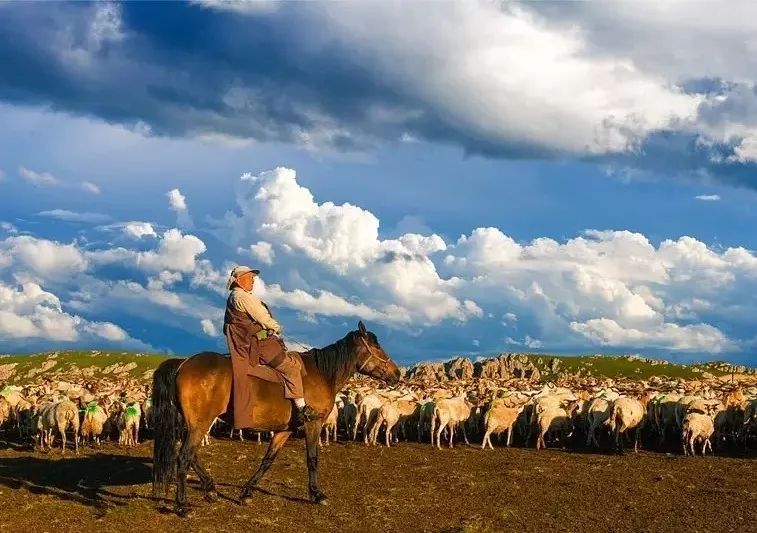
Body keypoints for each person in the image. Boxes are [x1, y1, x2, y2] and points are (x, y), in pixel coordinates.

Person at [224, 265, 319, 428]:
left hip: (249, 344)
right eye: (249, 278)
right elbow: (263, 317)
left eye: (253, 278)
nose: (252, 281)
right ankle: (302, 409)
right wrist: (276, 327)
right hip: (261, 345)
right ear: (239, 280)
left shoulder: (235, 297)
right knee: (292, 367)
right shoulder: (243, 298)